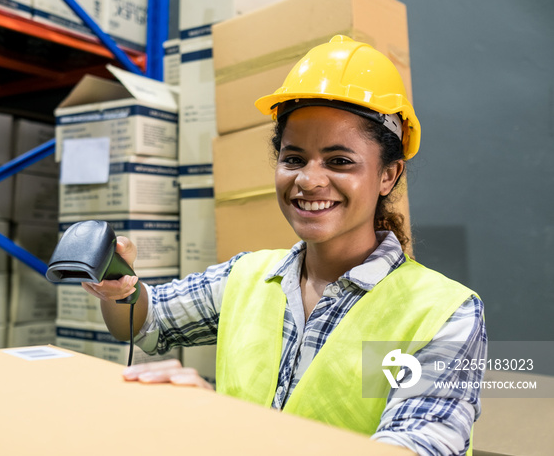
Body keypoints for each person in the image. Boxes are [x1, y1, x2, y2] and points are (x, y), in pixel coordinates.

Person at [82, 35, 487, 456]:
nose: (308, 180)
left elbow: (415, 447)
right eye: (293, 158)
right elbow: (145, 320)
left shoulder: (442, 314)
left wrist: (226, 424)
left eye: (339, 161)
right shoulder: (247, 276)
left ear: (388, 175)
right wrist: (119, 285)